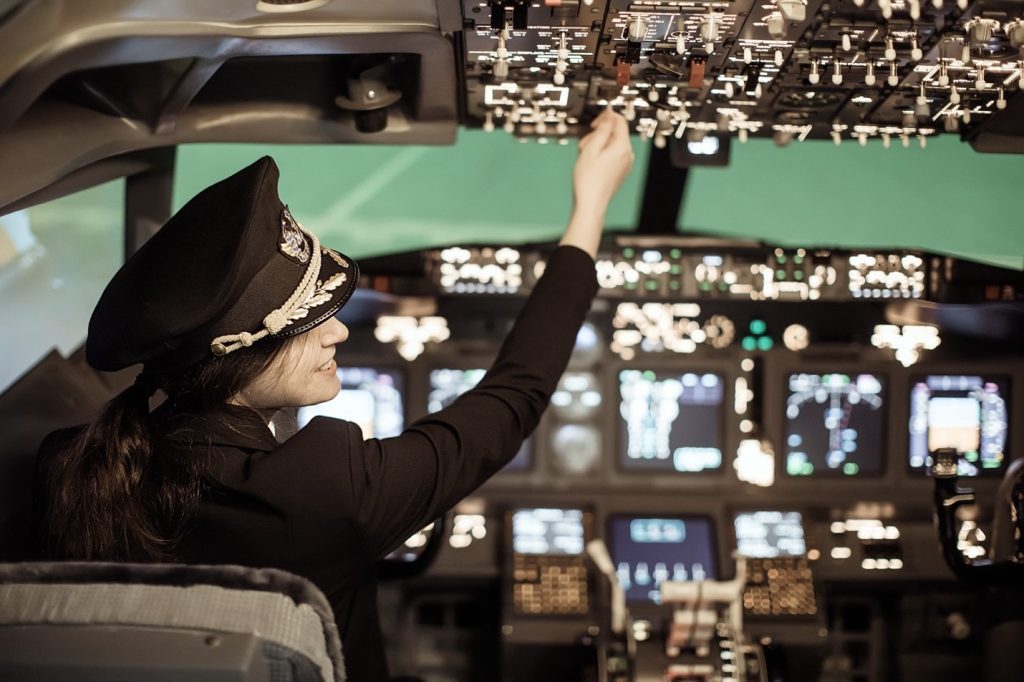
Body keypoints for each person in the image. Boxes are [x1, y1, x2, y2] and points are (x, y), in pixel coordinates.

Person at [33, 109, 635, 681]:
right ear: (236, 356)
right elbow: (514, 395)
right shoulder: (322, 491)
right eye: (309, 321)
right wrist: (590, 209)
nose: (339, 331)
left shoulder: (74, 463)